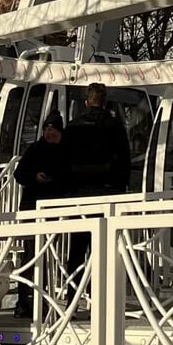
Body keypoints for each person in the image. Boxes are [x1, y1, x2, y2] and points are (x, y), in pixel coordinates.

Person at [60, 83, 131, 305]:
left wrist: (67, 189)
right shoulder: (114, 126)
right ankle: (102, 299)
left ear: (86, 102)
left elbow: (63, 161)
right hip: (107, 193)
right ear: (105, 102)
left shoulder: (73, 127)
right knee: (105, 249)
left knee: (77, 248)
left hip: (79, 194)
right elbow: (124, 161)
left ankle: (72, 298)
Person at [12, 112, 64, 319]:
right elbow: (18, 174)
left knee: (47, 255)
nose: (49, 133)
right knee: (31, 254)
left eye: (53, 129)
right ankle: (23, 302)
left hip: (54, 208)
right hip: (31, 206)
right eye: (46, 129)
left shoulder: (65, 151)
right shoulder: (35, 149)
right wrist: (35, 177)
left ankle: (42, 301)